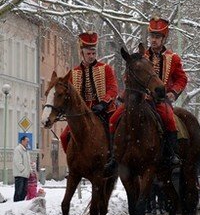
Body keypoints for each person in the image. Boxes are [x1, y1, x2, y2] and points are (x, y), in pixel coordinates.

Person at [107, 17, 185, 169]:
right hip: (140, 99)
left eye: (157, 37)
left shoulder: (173, 58)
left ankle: (171, 154)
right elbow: (128, 76)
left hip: (160, 100)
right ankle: (114, 157)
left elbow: (181, 78)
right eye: (152, 37)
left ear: (164, 38)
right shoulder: (142, 56)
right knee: (113, 119)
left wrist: (173, 93)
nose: (154, 40)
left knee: (169, 120)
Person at [60, 32, 118, 161]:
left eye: (93, 53)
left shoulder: (106, 69)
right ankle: (72, 162)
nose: (91, 56)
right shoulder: (74, 72)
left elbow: (113, 88)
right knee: (64, 136)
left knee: (113, 130)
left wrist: (103, 103)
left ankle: (113, 160)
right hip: (82, 114)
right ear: (82, 53)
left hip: (103, 111)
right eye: (88, 54)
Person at [13, 136, 31, 202]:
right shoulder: (18, 149)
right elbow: (17, 162)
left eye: (28, 141)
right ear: (22, 141)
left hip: (25, 175)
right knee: (18, 192)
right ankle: (16, 206)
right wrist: (23, 170)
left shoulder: (26, 150)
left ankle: (20, 206)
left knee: (24, 192)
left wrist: (30, 171)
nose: (28, 143)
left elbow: (28, 162)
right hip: (20, 174)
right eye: (27, 141)